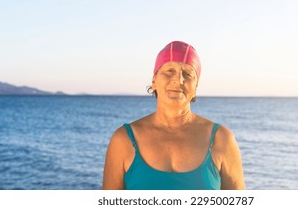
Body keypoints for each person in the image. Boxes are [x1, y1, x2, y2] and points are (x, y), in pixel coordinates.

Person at [102, 41, 245, 190]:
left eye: (188, 74)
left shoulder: (221, 140)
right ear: (154, 81)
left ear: (196, 87)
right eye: (169, 71)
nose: (179, 79)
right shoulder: (123, 140)